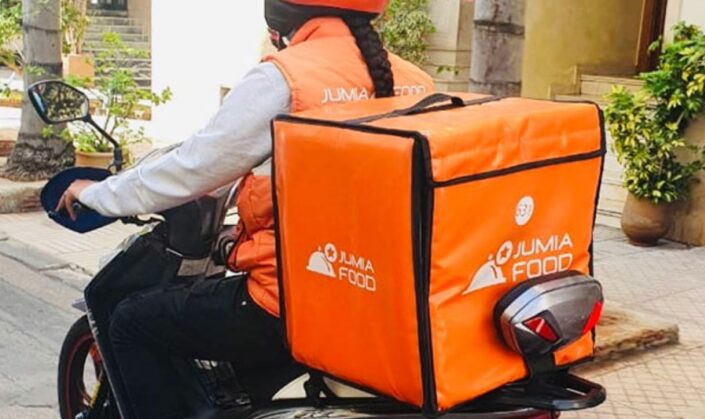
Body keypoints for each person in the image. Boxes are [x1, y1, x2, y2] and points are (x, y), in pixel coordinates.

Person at [56, 1, 434, 418]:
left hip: (290, 306)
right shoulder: (415, 80)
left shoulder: (285, 79)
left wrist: (97, 194)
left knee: (131, 321)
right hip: (379, 299)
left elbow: (194, 167)